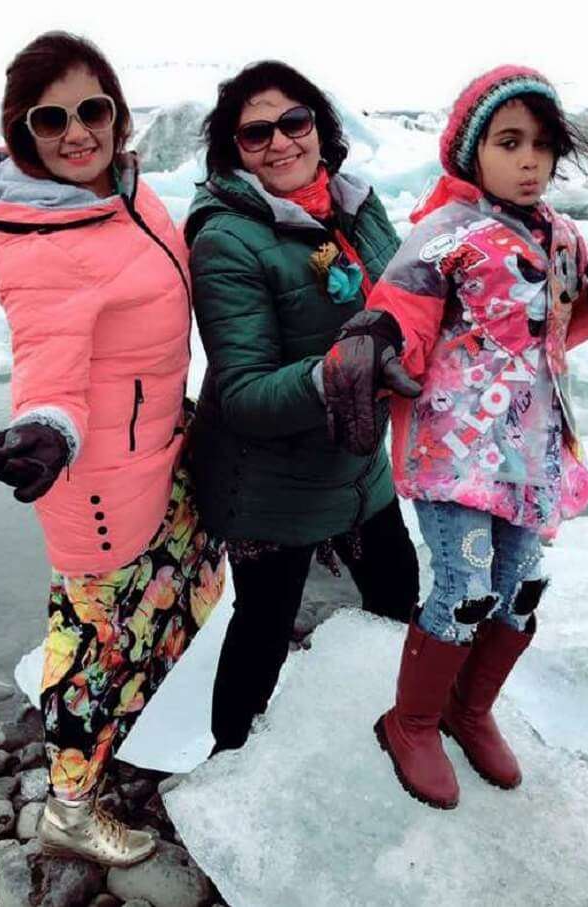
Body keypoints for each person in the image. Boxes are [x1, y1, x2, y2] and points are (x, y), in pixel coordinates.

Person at [0, 31, 225, 865]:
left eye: (90, 110)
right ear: (22, 132)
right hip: (91, 475)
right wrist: (46, 430)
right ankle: (68, 805)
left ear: (117, 114)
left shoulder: (125, 195)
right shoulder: (46, 243)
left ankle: (127, 733)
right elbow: (49, 355)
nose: (75, 133)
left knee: (184, 589)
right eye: (49, 119)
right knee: (91, 643)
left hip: (156, 452)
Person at [366, 65, 588, 809]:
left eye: (542, 144)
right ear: (473, 150)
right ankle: (414, 720)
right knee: (464, 589)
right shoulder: (444, 235)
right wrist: (373, 346)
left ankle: (469, 708)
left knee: (522, 586)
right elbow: (398, 312)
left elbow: (564, 323)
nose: (529, 161)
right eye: (509, 142)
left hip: (532, 448)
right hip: (455, 450)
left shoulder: (562, 236)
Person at [184, 61, 421, 754]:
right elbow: (245, 391)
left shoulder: (355, 207)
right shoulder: (226, 238)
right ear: (234, 151)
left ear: (320, 127)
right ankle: (230, 768)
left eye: (294, 122)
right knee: (264, 623)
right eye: (256, 133)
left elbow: (407, 299)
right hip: (267, 481)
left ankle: (388, 733)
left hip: (356, 460)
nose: (281, 142)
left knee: (397, 594)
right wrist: (335, 373)